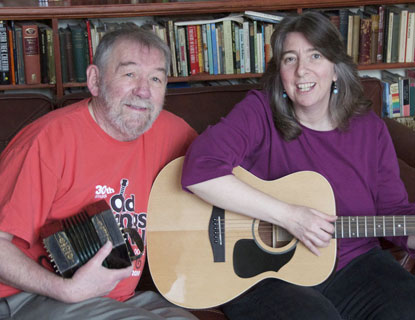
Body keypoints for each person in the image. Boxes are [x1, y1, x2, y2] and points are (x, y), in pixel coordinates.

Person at [181, 11, 415, 320]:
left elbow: (393, 211)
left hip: (355, 265)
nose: (302, 71)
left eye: (315, 55)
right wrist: (289, 216)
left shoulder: (370, 130)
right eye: (290, 59)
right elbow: (200, 168)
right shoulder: (259, 112)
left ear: (335, 68)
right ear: (280, 73)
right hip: (265, 274)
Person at [0, 27, 198, 320]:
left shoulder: (173, 133)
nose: (143, 91)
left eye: (156, 78)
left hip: (121, 298)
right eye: (129, 74)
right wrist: (66, 290)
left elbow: (230, 177)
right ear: (94, 80)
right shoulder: (46, 142)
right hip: (30, 296)